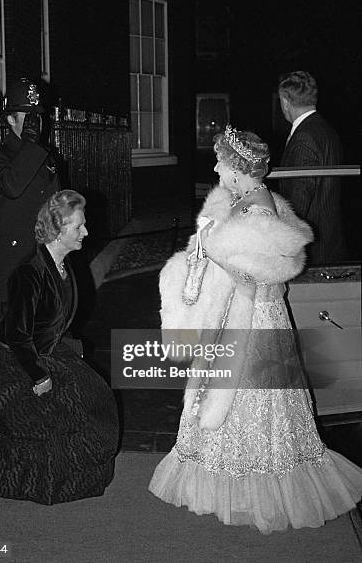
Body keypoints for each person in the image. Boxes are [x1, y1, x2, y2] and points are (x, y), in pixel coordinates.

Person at [149, 126, 362, 534]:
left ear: (237, 168)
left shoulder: (258, 210)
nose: (215, 167)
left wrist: (212, 249)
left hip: (252, 318)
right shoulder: (246, 200)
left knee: (251, 394)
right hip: (243, 312)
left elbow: (254, 273)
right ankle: (231, 476)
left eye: (221, 161)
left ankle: (255, 484)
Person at [0, 190, 119, 504]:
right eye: (78, 226)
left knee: (97, 396)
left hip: (46, 351)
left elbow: (52, 321)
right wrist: (39, 377)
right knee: (59, 419)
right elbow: (17, 336)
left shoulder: (64, 266)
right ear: (58, 229)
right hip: (15, 361)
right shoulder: (30, 274)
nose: (86, 232)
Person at [0, 77, 59, 314]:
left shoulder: (46, 155)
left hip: (44, 255)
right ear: (10, 119)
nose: (35, 124)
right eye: (28, 117)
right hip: (16, 260)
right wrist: (29, 144)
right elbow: (12, 186)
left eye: (37, 116)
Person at [278, 70, 345, 264]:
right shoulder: (327, 130)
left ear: (284, 101)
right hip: (331, 240)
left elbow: (298, 200)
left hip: (312, 251)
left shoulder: (304, 138)